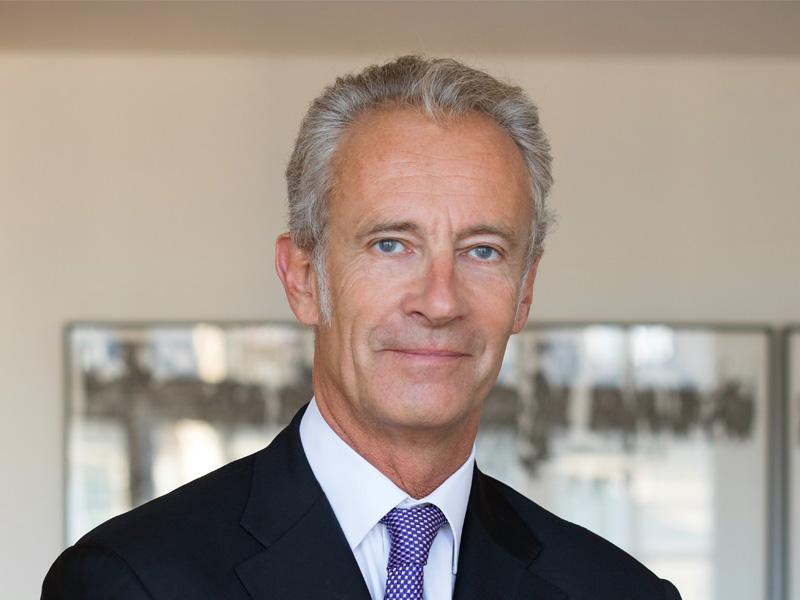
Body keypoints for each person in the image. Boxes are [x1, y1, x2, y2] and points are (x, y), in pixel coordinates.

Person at [42, 55, 682, 600]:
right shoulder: (131, 580)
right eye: (390, 244)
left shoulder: (619, 591)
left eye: (483, 250)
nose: (440, 302)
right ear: (303, 278)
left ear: (525, 291)